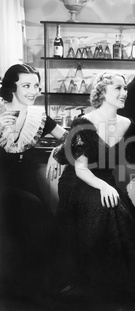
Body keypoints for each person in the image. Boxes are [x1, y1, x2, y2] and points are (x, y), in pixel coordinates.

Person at [53, 73, 135, 308]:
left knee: (116, 211)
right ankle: (101, 287)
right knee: (106, 207)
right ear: (102, 93)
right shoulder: (84, 121)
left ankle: (117, 289)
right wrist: (104, 186)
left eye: (125, 88)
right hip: (79, 181)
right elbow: (80, 168)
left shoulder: (128, 124)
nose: (124, 92)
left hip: (109, 184)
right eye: (118, 88)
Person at [0, 63, 67, 304]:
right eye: (26, 85)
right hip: (3, 187)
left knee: (45, 230)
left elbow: (70, 138)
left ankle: (31, 292)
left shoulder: (39, 117)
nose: (33, 91)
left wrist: (57, 151)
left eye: (36, 85)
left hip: (28, 184)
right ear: (11, 87)